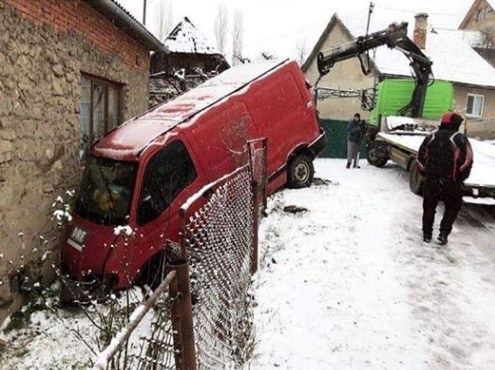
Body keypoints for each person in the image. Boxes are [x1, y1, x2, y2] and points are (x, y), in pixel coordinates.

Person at [416, 112, 473, 245]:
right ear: (456, 125)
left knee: (429, 206)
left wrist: (426, 174)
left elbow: (420, 159)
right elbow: (468, 161)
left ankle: (427, 234)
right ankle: (443, 233)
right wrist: (459, 177)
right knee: (452, 207)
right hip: (452, 182)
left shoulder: (431, 137)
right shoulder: (460, 139)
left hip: (431, 181)